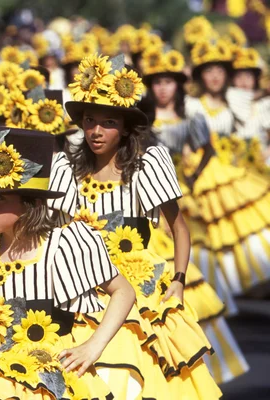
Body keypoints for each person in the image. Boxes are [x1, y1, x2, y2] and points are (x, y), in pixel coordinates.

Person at [49, 53, 221, 398]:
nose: (97, 131)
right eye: (90, 121)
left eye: (109, 122)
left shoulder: (147, 164)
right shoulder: (67, 167)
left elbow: (179, 227)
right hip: (81, 283)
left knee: (135, 368)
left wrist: (179, 281)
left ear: (125, 127)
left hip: (138, 285)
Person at [0, 125, 133, 399]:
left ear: (28, 203)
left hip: (52, 371)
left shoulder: (63, 245)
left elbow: (124, 291)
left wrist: (92, 347)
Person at [140, 45, 250, 384]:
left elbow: (207, 151)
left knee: (196, 259)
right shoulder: (142, 122)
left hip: (185, 196)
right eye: (156, 82)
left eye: (169, 82)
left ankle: (204, 340)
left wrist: (190, 174)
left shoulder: (192, 118)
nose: (162, 88)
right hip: (153, 203)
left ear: (178, 85)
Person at [185, 39, 270, 296]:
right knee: (208, 235)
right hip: (197, 173)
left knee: (238, 226)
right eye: (209, 71)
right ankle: (217, 287)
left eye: (220, 71)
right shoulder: (192, 105)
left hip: (226, 172)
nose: (214, 77)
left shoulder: (234, 103)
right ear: (201, 75)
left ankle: (242, 280)